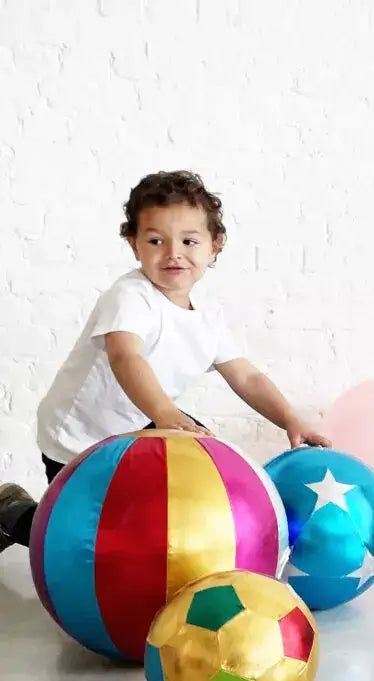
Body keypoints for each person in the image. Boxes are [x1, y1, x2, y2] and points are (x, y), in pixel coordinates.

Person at [0, 170, 330, 551]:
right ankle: (12, 513)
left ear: (215, 245)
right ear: (134, 245)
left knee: (164, 516)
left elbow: (246, 375)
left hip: (142, 427)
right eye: (156, 240)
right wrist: (166, 413)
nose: (173, 253)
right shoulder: (131, 297)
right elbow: (125, 355)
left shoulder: (207, 316)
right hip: (80, 438)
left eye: (189, 240)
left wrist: (290, 419)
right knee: (80, 546)